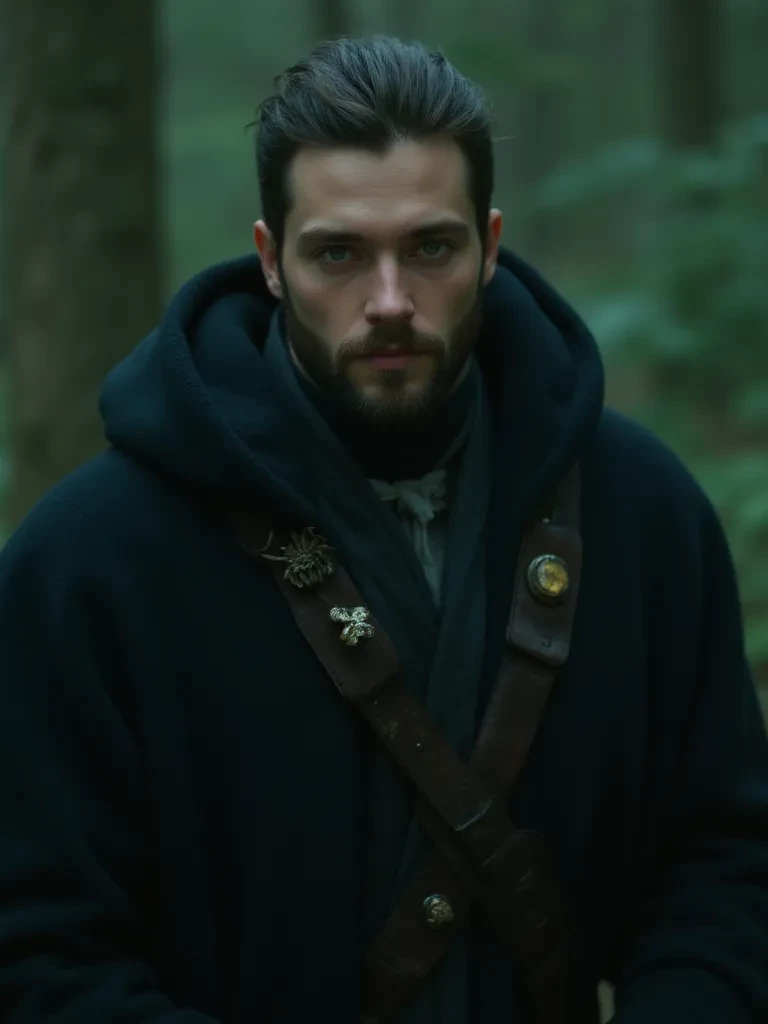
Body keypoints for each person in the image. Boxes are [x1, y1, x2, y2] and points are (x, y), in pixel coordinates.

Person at [0, 34, 766, 1024]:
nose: (391, 302)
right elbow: (40, 950)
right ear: (271, 260)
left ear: (490, 245)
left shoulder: (641, 514)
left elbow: (724, 871)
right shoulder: (91, 562)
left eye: (432, 248)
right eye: (340, 254)